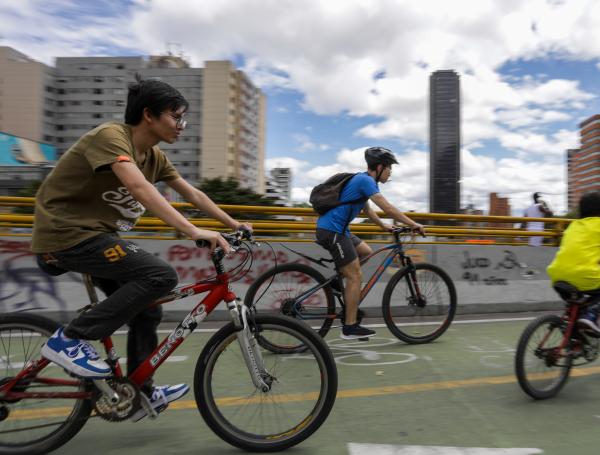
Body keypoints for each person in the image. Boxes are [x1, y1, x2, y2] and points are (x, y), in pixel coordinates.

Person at [31, 75, 252, 421]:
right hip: (66, 235)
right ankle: (70, 339)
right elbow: (138, 187)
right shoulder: (111, 137)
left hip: (98, 238)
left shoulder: (155, 157)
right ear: (149, 115)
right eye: (176, 116)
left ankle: (140, 393)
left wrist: (234, 225)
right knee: (160, 275)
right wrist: (192, 230)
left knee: (148, 309)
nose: (182, 125)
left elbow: (193, 194)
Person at [315, 147, 425, 340]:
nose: (390, 172)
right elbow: (388, 208)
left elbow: (366, 209)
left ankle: (336, 281)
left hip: (340, 230)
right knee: (355, 275)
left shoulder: (363, 182)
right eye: (389, 167)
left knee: (365, 252)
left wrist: (383, 226)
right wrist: (413, 224)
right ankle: (349, 327)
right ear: (380, 166)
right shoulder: (365, 180)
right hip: (331, 231)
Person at [547, 190, 600, 333]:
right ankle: (591, 316)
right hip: (584, 276)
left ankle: (572, 330)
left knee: (578, 303)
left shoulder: (573, 226)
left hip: (557, 275)